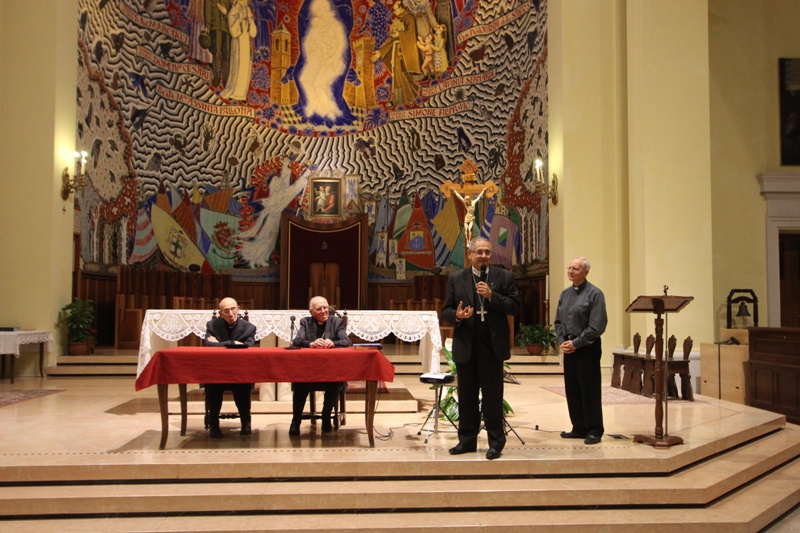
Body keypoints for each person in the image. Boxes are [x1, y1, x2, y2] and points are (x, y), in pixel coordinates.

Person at [441, 237, 520, 460]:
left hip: (492, 346)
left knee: (493, 397)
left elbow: (514, 307)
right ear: (470, 254)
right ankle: (467, 440)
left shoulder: (504, 277)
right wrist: (457, 315)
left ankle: (496, 443)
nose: (484, 256)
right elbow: (446, 310)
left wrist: (492, 296)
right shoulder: (457, 278)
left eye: (487, 252)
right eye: (479, 252)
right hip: (467, 344)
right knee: (466, 396)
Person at [554, 257, 608, 445]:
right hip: (569, 348)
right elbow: (558, 322)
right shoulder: (565, 294)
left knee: (589, 389)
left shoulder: (595, 294)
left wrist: (576, 343)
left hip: (587, 348)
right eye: (569, 268)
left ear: (585, 272)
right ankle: (578, 427)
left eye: (575, 269)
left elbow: (597, 326)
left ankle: (594, 429)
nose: (570, 271)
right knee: (573, 389)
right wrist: (562, 341)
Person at [290, 296, 353, 435]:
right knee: (299, 382)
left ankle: (326, 416)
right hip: (309, 370)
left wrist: (334, 343)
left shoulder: (337, 322)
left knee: (335, 381)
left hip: (331, 369)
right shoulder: (305, 322)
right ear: (311, 312)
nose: (323, 311)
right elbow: (297, 341)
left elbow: (347, 341)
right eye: (319, 309)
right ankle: (296, 421)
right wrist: (310, 344)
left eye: (326, 308)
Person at [203, 297, 257, 438]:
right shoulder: (212, 325)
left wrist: (219, 343)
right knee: (213, 387)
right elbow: (208, 345)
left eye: (233, 309)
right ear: (220, 313)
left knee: (242, 386)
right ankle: (214, 425)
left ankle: (246, 423)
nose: (231, 314)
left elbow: (248, 346)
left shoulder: (249, 327)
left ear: (238, 309)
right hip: (217, 369)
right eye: (226, 311)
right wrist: (234, 343)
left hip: (239, 369)